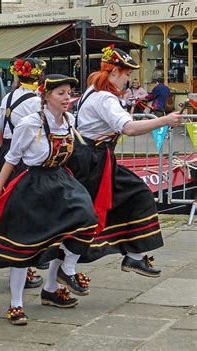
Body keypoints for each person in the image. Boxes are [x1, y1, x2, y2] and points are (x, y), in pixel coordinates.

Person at [0, 75, 98, 325]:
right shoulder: (29, 124)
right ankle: (16, 304)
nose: (67, 97)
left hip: (60, 180)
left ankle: (63, 276)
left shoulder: (70, 120)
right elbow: (12, 159)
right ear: (46, 97)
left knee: (86, 219)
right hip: (33, 184)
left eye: (69, 92)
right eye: (61, 93)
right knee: (22, 247)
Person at [67, 46, 182, 276]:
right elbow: (129, 128)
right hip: (93, 160)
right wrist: (165, 120)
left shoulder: (93, 90)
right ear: (114, 72)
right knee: (84, 215)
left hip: (93, 157)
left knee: (132, 195)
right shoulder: (105, 98)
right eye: (127, 73)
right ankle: (63, 269)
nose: (129, 79)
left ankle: (133, 256)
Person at [0, 57, 46, 289]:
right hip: (25, 157)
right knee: (30, 211)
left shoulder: (9, 97)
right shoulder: (37, 102)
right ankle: (27, 264)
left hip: (6, 153)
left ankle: (16, 260)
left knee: (10, 210)